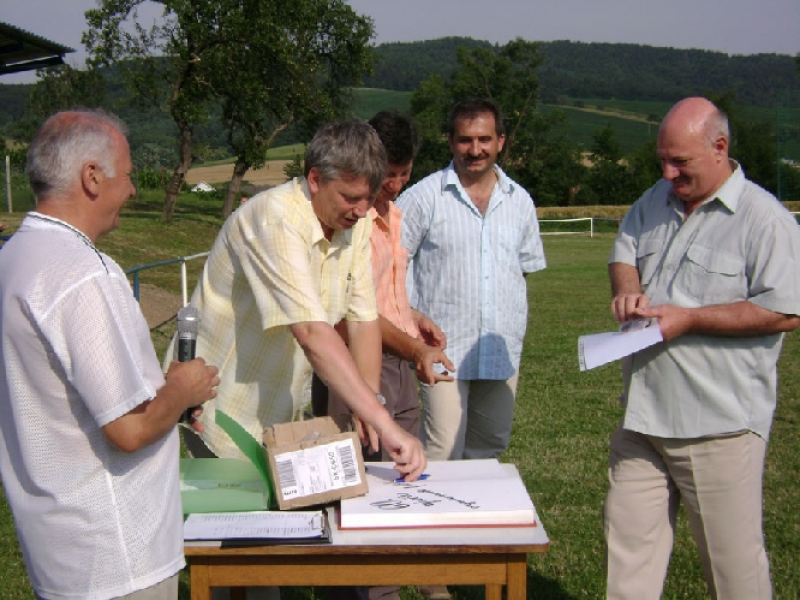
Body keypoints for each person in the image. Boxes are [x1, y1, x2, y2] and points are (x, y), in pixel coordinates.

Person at [0, 110, 220, 600]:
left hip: (58, 544)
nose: (135, 190)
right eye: (129, 175)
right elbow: (129, 428)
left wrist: (169, 399)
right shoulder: (83, 274)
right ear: (92, 177)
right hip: (116, 553)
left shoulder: (13, 258)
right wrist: (184, 388)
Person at [605, 97, 800, 600]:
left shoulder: (766, 220)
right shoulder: (655, 199)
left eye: (680, 162)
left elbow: (785, 310)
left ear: (720, 147)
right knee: (628, 562)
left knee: (733, 571)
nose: (668, 172)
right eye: (662, 160)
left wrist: (689, 319)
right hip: (643, 420)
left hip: (719, 425)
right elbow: (624, 250)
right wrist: (626, 287)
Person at [182, 118, 426, 481]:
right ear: (315, 180)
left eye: (368, 199)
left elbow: (362, 321)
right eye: (350, 197)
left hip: (280, 415)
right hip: (222, 413)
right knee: (240, 529)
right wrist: (386, 424)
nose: (361, 211)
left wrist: (369, 402)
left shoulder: (354, 225)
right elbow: (311, 331)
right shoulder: (275, 218)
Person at [396, 98, 546, 461]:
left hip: (500, 347)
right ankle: (438, 518)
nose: (475, 150)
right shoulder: (422, 197)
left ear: (501, 141)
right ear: (450, 141)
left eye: (484, 139)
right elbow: (391, 265)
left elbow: (521, 269)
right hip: (442, 347)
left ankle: (475, 519)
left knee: (490, 446)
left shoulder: (519, 201)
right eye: (465, 140)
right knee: (443, 448)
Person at [319, 110, 455, 462]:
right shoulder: (350, 223)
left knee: (403, 463)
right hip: (358, 357)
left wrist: (414, 316)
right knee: (362, 463)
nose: (395, 184)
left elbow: (380, 294)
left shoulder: (393, 215)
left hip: (397, 358)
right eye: (388, 175)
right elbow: (354, 312)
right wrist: (416, 349)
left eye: (404, 173)